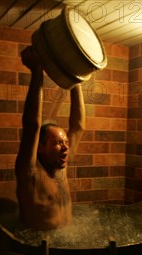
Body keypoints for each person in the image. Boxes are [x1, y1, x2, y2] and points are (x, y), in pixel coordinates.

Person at [15, 46, 85, 231]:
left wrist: (75, 80)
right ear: (40, 147)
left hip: (67, 242)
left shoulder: (61, 166)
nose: (65, 148)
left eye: (66, 143)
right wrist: (37, 71)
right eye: (58, 143)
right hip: (41, 248)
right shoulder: (29, 172)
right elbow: (31, 126)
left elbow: (78, 126)